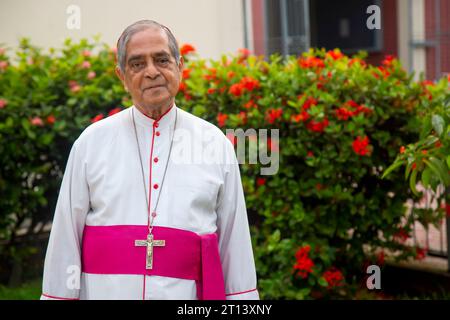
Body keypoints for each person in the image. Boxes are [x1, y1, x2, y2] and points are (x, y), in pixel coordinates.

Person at [40, 20, 259, 300]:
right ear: (122, 75)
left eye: (161, 59)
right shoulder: (91, 143)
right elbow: (65, 239)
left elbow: (234, 244)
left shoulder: (214, 143)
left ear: (179, 66)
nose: (152, 71)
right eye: (137, 64)